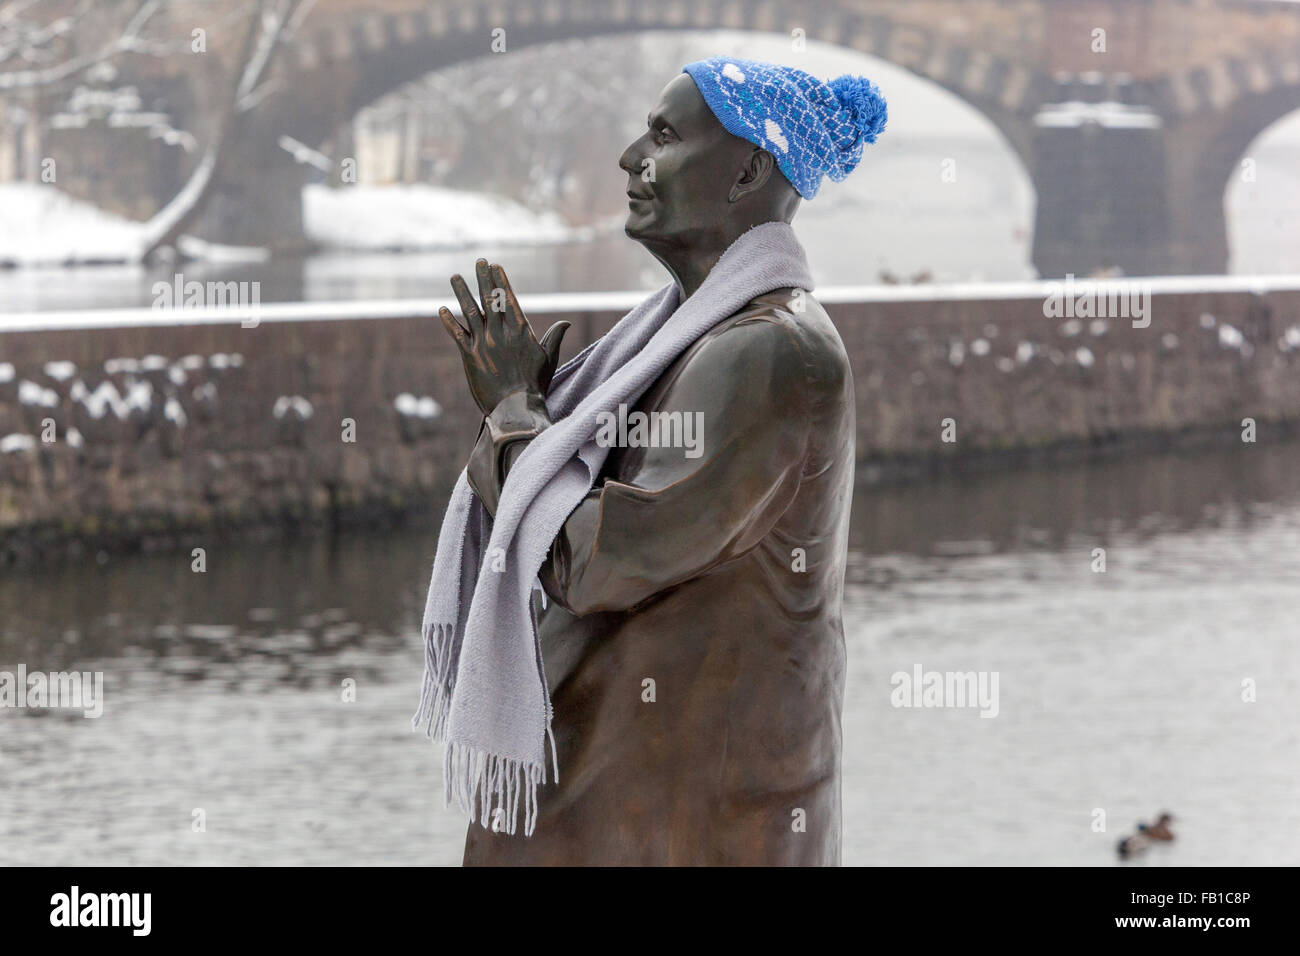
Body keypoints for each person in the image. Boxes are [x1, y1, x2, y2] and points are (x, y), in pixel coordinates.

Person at [420, 57, 886, 865]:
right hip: (634, 807)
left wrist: (513, 416)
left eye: (665, 136)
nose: (632, 156)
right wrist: (534, 416)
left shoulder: (771, 353)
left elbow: (593, 563)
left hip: (683, 825)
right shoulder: (689, 339)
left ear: (748, 168)